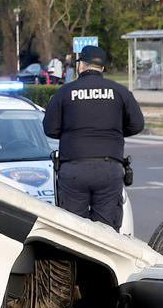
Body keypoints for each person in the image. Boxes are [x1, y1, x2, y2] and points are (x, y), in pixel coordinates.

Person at [43, 44, 144, 229]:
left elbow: (50, 129)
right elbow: (137, 124)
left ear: (81, 65)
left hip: (73, 169)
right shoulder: (119, 91)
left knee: (73, 230)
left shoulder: (65, 92)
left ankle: (76, 258)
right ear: (103, 68)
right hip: (108, 168)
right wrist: (114, 132)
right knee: (106, 231)